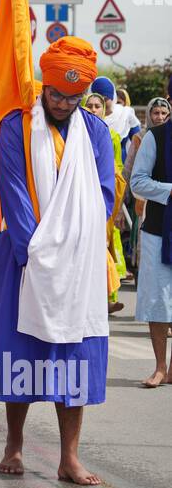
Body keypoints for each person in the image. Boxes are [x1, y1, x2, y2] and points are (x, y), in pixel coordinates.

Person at [0, 37, 115, 485]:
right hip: (25, 259)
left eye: (72, 97)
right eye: (55, 94)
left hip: (77, 264)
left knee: (73, 359)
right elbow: (14, 192)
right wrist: (36, 251)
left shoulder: (94, 131)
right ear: (43, 87)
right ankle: (14, 444)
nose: (61, 102)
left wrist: (73, 243)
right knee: (22, 356)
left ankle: (68, 457)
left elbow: (103, 194)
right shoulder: (17, 127)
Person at [130, 104, 172, 388]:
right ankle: (159, 367)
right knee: (158, 301)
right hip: (159, 231)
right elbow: (138, 181)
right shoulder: (155, 137)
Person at [84, 91, 127, 312]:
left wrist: (115, 200)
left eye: (97, 106)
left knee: (107, 245)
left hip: (107, 197)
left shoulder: (113, 136)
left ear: (103, 109)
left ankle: (109, 297)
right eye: (89, 106)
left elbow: (117, 167)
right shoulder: (76, 134)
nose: (93, 110)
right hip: (83, 199)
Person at [90, 75, 140, 151]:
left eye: (105, 99)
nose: (102, 103)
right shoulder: (89, 117)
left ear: (112, 97)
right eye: (98, 100)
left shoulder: (125, 113)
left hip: (122, 162)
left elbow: (138, 144)